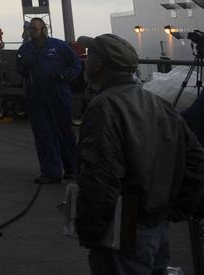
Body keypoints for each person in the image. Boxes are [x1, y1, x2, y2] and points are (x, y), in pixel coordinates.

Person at [75, 34, 204, 272]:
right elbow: (196, 157)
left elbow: (100, 178)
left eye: (89, 56)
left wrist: (89, 230)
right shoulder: (158, 104)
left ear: (98, 64)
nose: (85, 61)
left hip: (123, 229)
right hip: (157, 225)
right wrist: (176, 209)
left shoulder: (104, 107)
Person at [16, 17, 82, 184]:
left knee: (64, 132)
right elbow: (20, 71)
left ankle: (72, 169)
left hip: (58, 95)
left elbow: (75, 65)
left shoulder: (59, 46)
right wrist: (24, 67)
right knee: (43, 135)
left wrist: (64, 75)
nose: (32, 32)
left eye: (35, 29)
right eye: (30, 29)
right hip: (36, 97)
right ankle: (51, 172)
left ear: (43, 29)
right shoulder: (25, 50)